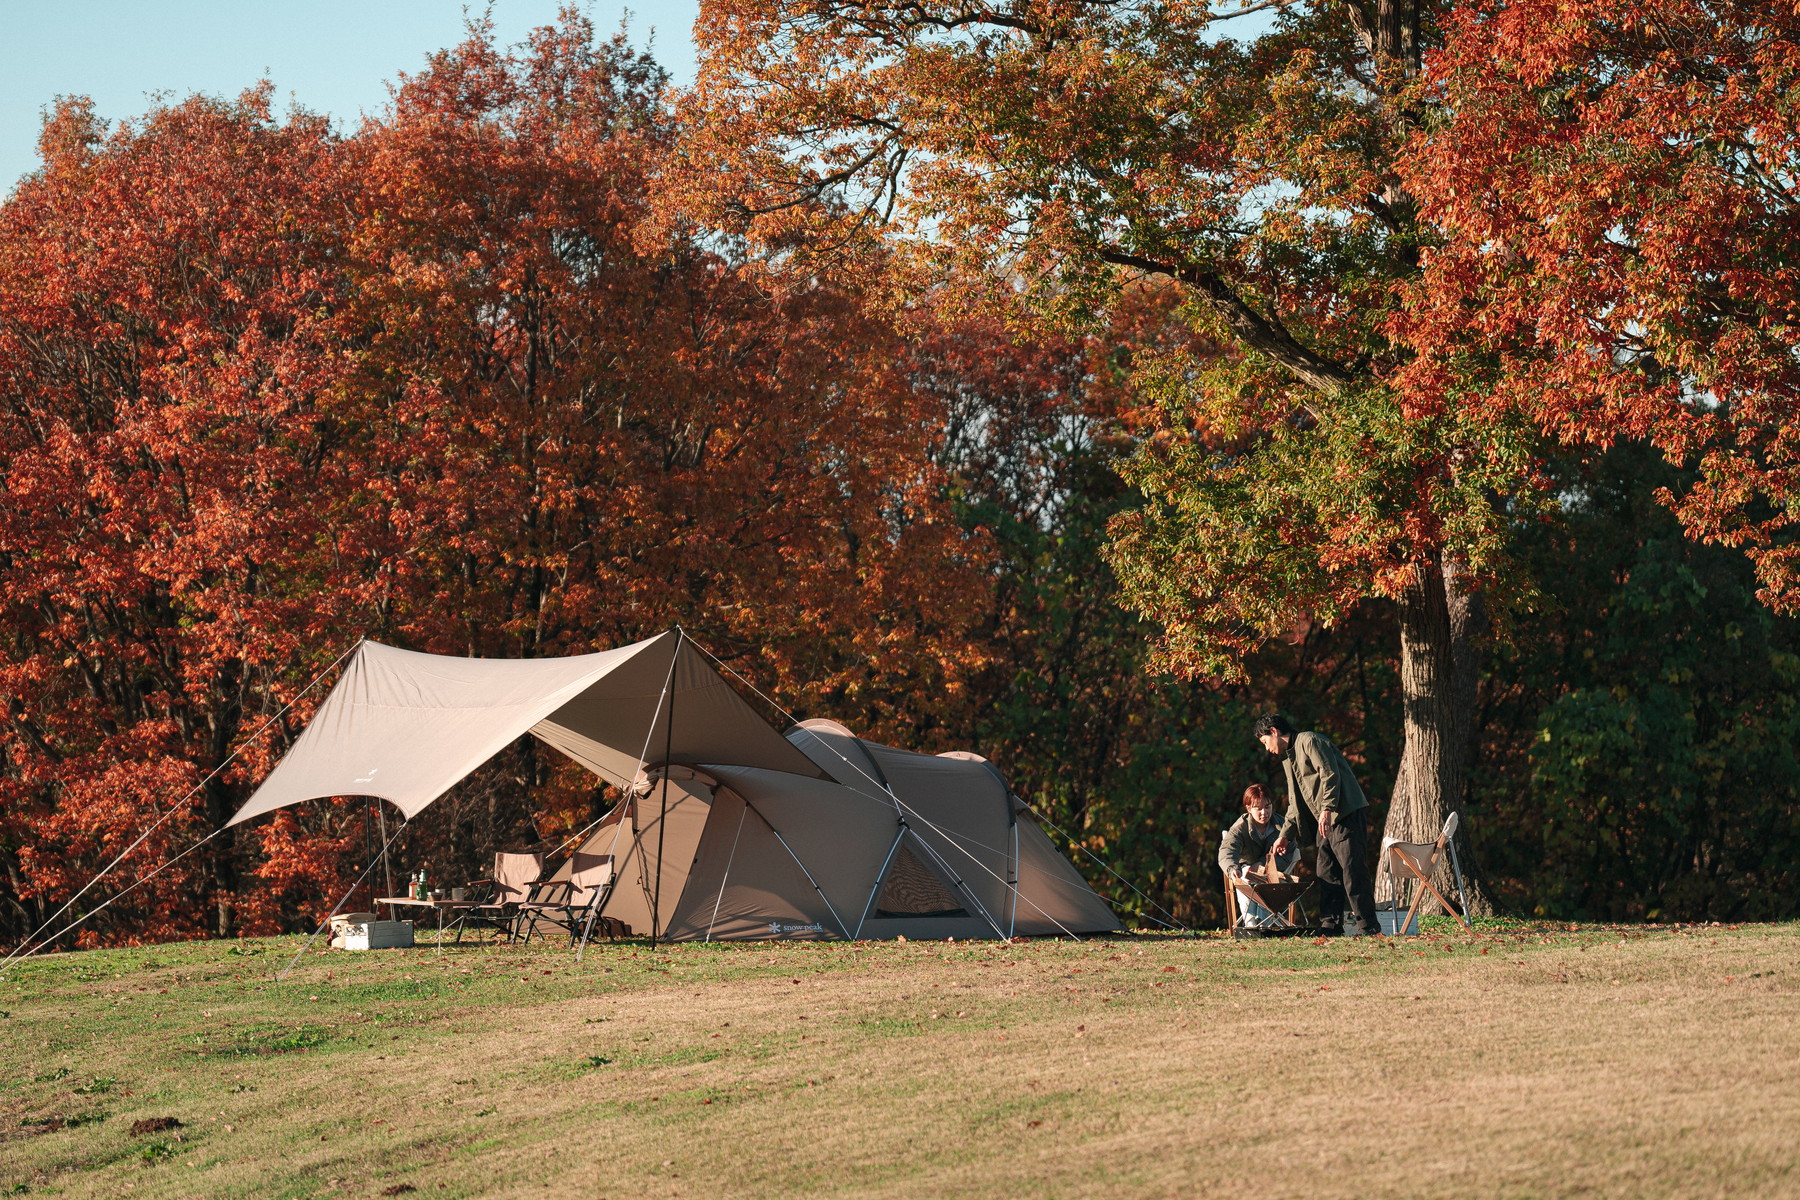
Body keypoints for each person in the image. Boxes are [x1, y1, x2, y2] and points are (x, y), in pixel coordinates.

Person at [1255, 713, 1380, 936]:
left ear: (1273, 731)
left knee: (1353, 872)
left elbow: (1330, 775)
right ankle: (1330, 926)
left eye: (1265, 742)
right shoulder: (1288, 757)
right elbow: (1295, 801)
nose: (1266, 749)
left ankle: (1368, 927)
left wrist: (1327, 809)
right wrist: (1285, 834)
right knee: (1326, 873)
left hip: (1344, 815)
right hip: (1324, 819)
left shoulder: (1310, 740)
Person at [1218, 783, 1299, 928]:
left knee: (1266, 876)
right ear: (1248, 808)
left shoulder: (1283, 826)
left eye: (1267, 807)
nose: (1264, 812)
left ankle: (1264, 925)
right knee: (1244, 876)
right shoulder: (1239, 827)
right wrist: (1232, 869)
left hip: (1276, 874)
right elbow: (1227, 851)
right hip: (1245, 871)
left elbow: (1289, 854)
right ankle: (1250, 924)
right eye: (1258, 808)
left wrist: (1263, 865)